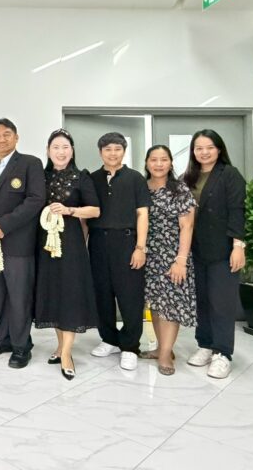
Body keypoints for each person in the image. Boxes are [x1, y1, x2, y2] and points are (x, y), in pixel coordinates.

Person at [0, 118, 45, 369]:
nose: (2, 139)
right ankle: (2, 338)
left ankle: (21, 345)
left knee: (19, 296)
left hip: (18, 244)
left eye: (7, 134)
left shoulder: (30, 164)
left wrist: (3, 225)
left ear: (16, 137)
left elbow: (35, 200)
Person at [34, 129, 101, 381]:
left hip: (71, 245)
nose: (61, 152)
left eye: (65, 147)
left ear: (72, 151)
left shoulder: (81, 177)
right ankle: (60, 345)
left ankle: (66, 353)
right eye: (56, 147)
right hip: (44, 245)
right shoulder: (40, 177)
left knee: (70, 295)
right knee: (53, 293)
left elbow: (94, 211)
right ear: (48, 151)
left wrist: (69, 210)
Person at [181, 130, 246, 379]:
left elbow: (237, 210)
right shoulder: (188, 177)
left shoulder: (229, 174)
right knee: (202, 300)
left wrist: (238, 246)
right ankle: (205, 345)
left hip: (223, 250)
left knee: (222, 302)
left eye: (209, 147)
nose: (204, 152)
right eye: (199, 148)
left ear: (219, 149)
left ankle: (222, 353)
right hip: (196, 250)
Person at [88, 132, 151, 371]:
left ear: (124, 151)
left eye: (117, 149)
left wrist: (140, 247)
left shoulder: (135, 178)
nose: (112, 153)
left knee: (130, 296)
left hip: (127, 242)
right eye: (107, 149)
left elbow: (142, 214)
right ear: (100, 152)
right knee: (102, 295)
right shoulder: (92, 179)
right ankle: (109, 339)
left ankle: (130, 346)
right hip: (97, 242)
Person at [141, 145, 197, 376]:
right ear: (147, 163)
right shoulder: (141, 188)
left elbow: (187, 226)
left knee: (171, 305)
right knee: (155, 304)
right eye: (154, 160)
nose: (158, 164)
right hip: (149, 255)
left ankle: (165, 354)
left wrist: (181, 260)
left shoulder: (180, 189)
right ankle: (160, 348)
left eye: (163, 159)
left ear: (171, 163)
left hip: (173, 255)